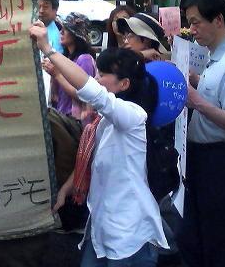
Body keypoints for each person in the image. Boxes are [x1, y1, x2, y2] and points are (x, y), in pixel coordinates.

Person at [29, 21, 168, 266]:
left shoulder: (133, 116)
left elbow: (92, 91)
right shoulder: (104, 121)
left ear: (124, 84)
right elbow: (92, 160)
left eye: (102, 75)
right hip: (101, 227)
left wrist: (48, 49)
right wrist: (65, 191)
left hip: (128, 235)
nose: (96, 78)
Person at [177, 0, 225, 267]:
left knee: (221, 240)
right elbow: (217, 98)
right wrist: (197, 83)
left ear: (218, 20)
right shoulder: (216, 58)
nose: (191, 30)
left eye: (196, 22)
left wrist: (196, 101)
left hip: (222, 161)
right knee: (196, 235)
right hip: (203, 159)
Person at [42, 12, 96, 121]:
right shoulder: (66, 58)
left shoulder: (84, 59)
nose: (61, 32)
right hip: (63, 117)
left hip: (76, 121)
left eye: (66, 30)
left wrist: (57, 75)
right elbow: (56, 97)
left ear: (76, 35)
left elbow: (84, 95)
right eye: (61, 29)